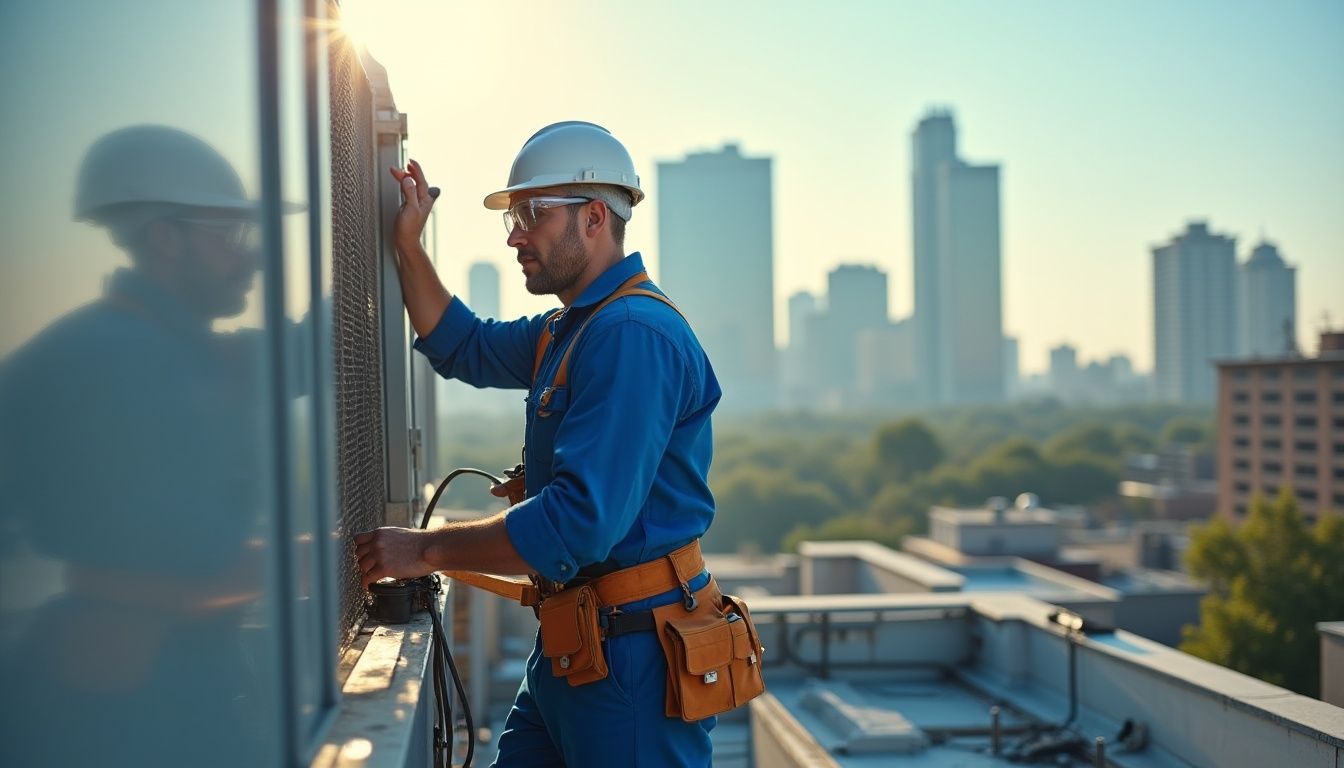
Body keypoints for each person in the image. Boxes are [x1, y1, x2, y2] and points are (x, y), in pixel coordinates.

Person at [355, 121, 722, 766]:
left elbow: (577, 525)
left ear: (595, 218)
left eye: (533, 214)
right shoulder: (572, 329)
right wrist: (408, 247)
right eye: (514, 218)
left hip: (630, 661)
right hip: (575, 646)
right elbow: (463, 345)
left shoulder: (632, 334)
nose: (516, 235)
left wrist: (425, 550)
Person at [0, 125, 282, 767]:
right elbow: (186, 554)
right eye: (231, 236)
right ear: (165, 237)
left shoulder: (166, 349)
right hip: (130, 703)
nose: (252, 258)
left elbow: (294, 348)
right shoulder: (110, 363)